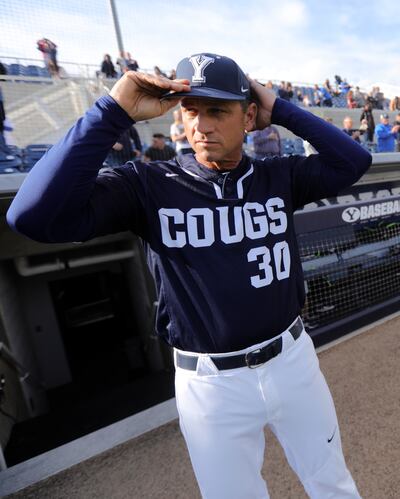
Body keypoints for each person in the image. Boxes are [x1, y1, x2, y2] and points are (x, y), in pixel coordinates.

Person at [6, 52, 371, 499]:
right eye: (191, 110)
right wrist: (111, 111)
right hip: (210, 384)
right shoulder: (147, 184)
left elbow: (353, 161)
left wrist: (282, 110)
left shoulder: (279, 177)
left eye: (218, 110)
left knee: (332, 484)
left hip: (293, 361)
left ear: (249, 116)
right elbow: (32, 216)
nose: (202, 124)